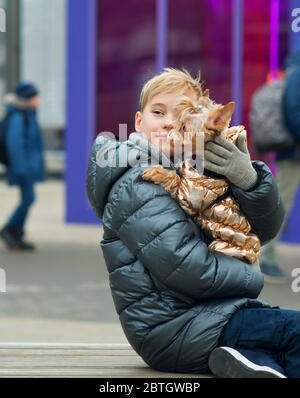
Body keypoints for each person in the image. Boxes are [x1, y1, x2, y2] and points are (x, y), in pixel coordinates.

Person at [86, 68, 300, 378]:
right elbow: (187, 267)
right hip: (174, 328)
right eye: (158, 112)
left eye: (182, 114)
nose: (170, 122)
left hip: (211, 314)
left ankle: (249, 362)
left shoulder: (196, 168)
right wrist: (252, 274)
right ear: (138, 122)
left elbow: (264, 230)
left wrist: (247, 179)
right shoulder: (134, 179)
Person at [260, 50, 300, 283]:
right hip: (293, 152)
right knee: (281, 203)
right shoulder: (296, 77)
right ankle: (266, 257)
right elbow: (294, 114)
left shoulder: (292, 76)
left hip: (292, 150)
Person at [0, 82, 44, 251]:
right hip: (22, 169)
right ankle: (10, 229)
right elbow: (15, 145)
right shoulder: (19, 117)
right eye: (35, 96)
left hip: (27, 168)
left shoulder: (28, 114)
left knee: (28, 198)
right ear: (27, 98)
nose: (38, 100)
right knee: (29, 198)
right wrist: (22, 169)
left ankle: (16, 232)